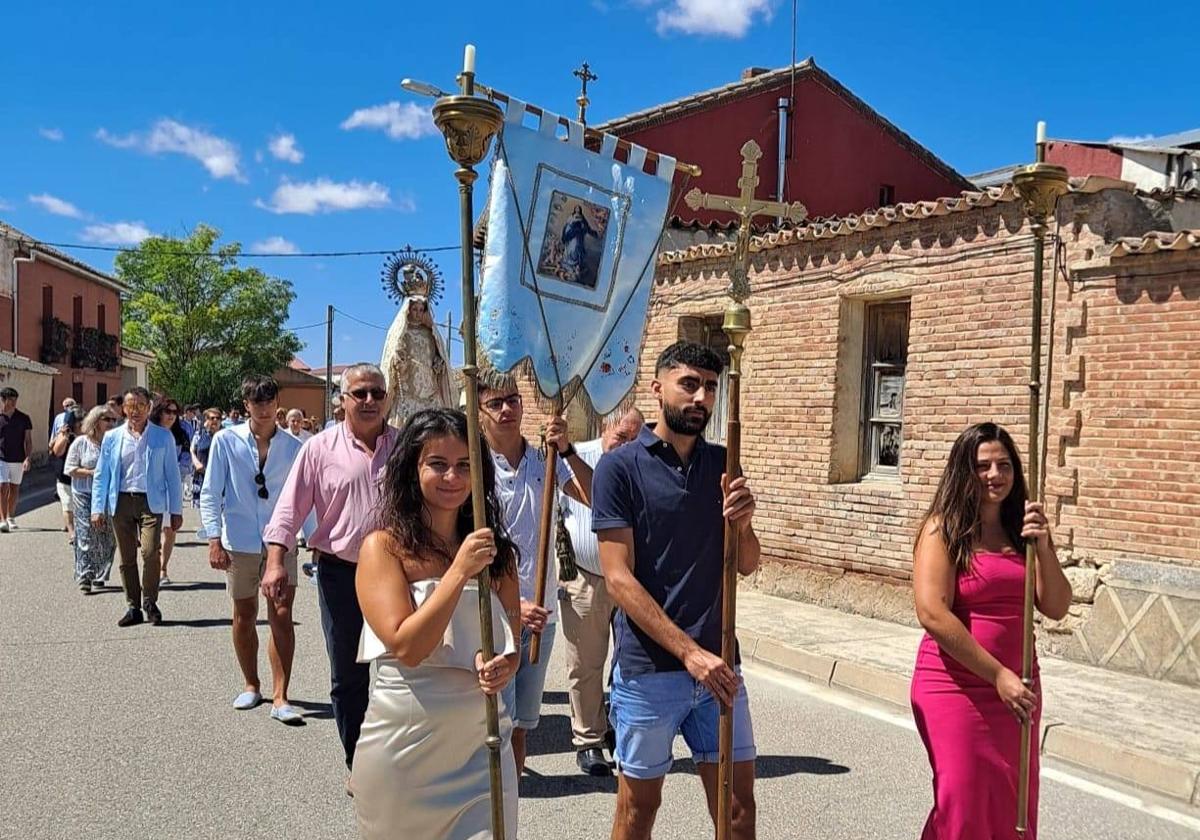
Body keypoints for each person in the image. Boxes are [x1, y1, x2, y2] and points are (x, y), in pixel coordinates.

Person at [593, 341, 760, 840]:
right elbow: (619, 579)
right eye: (688, 384)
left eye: (710, 387)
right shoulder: (620, 468)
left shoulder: (724, 462)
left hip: (720, 667)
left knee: (737, 811)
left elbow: (747, 564)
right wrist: (689, 654)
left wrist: (745, 525)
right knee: (638, 811)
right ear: (657, 386)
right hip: (650, 672)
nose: (700, 397)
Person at [351, 408, 520, 838]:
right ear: (412, 468)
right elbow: (408, 647)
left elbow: (511, 643)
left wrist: (501, 664)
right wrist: (459, 571)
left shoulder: (498, 553)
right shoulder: (382, 549)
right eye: (438, 464)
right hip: (405, 746)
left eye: (465, 465)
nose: (453, 477)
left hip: (481, 747)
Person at [910, 422, 1072, 839]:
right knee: (961, 802)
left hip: (1017, 694)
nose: (995, 475)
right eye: (983, 465)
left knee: (1007, 804)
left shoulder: (1023, 532)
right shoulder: (942, 528)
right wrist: (998, 674)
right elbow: (932, 612)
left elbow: (1055, 606)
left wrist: (1045, 544)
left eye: (1004, 465)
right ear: (964, 470)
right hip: (955, 686)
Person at [262, 363, 398, 770]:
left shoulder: (407, 445)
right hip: (340, 573)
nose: (370, 400)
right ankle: (358, 762)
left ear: (387, 398)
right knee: (348, 673)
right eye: (360, 393)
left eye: (377, 392)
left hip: (396, 573)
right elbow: (289, 509)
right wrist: (274, 562)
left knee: (401, 667)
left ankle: (397, 760)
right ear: (343, 400)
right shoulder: (319, 449)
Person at [477, 369, 593, 775]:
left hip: (541, 614)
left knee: (523, 725)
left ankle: (512, 811)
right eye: (495, 403)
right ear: (479, 411)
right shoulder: (474, 468)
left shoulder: (545, 459)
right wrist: (513, 603)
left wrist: (565, 449)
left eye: (513, 400)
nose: (506, 409)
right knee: (495, 724)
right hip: (493, 614)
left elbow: (596, 497)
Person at [201, 376, 308, 724]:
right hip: (240, 540)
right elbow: (211, 491)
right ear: (246, 404)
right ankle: (251, 684)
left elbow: (305, 496)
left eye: (269, 400)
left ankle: (281, 695)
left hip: (281, 541)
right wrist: (213, 538)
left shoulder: (294, 447)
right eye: (255, 401)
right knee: (244, 614)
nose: (263, 407)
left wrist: (315, 539)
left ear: (277, 403)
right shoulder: (225, 441)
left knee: (280, 613)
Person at [559, 406, 644, 777]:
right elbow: (596, 499)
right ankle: (589, 740)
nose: (626, 446)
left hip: (630, 579)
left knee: (629, 663)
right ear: (604, 427)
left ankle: (617, 725)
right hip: (586, 576)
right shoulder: (574, 458)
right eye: (620, 437)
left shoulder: (642, 463)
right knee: (585, 664)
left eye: (635, 439)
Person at [91, 386, 184, 627]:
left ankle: (150, 600)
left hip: (150, 502)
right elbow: (102, 474)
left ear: (149, 408)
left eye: (140, 406)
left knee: (151, 552)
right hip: (120, 500)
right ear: (123, 409)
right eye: (131, 406)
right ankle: (133, 606)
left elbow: (173, 476)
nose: (135, 411)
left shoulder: (163, 436)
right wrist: (97, 508)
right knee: (127, 556)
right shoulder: (113, 437)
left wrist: (176, 511)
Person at [380, 285, 456, 429]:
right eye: (415, 309)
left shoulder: (431, 333)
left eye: (421, 310)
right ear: (408, 309)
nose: (418, 314)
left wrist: (438, 364)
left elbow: (439, 356)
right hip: (407, 395)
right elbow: (393, 357)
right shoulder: (401, 333)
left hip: (431, 395)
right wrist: (397, 362)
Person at [66, 406, 119, 593]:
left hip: (108, 495)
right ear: (96, 422)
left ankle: (101, 572)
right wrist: (93, 473)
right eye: (107, 420)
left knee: (107, 535)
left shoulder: (114, 443)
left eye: (113, 420)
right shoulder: (81, 443)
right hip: (84, 493)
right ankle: (85, 574)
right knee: (86, 533)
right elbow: (70, 469)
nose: (111, 424)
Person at [151, 398, 192, 586]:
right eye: (168, 411)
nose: (171, 416)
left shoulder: (181, 435)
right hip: (150, 487)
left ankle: (163, 568)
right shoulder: (148, 433)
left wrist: (177, 473)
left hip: (172, 487)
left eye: (175, 413)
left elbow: (186, 460)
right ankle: (150, 565)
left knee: (169, 529)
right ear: (159, 411)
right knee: (151, 530)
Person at [0, 387, 33, 532]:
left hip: (18, 458)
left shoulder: (24, 418)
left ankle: (10, 517)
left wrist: (28, 458)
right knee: (2, 487)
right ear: (3, 400)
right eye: (10, 400)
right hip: (1, 457)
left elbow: (28, 440)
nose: (13, 403)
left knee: (14, 488)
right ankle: (2, 520)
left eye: (15, 400)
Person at [49, 409, 81, 544]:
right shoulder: (63, 435)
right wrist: (65, 436)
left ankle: (81, 529)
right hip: (64, 476)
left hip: (81, 477)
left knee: (79, 505)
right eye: (77, 424)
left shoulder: (88, 436)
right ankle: (72, 532)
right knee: (67, 504)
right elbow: (57, 451)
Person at [191, 408, 221, 514]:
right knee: (206, 513)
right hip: (202, 477)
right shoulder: (200, 434)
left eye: (218, 418)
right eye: (212, 418)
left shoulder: (225, 435)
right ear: (206, 420)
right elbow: (192, 449)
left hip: (219, 478)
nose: (215, 421)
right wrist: (196, 462)